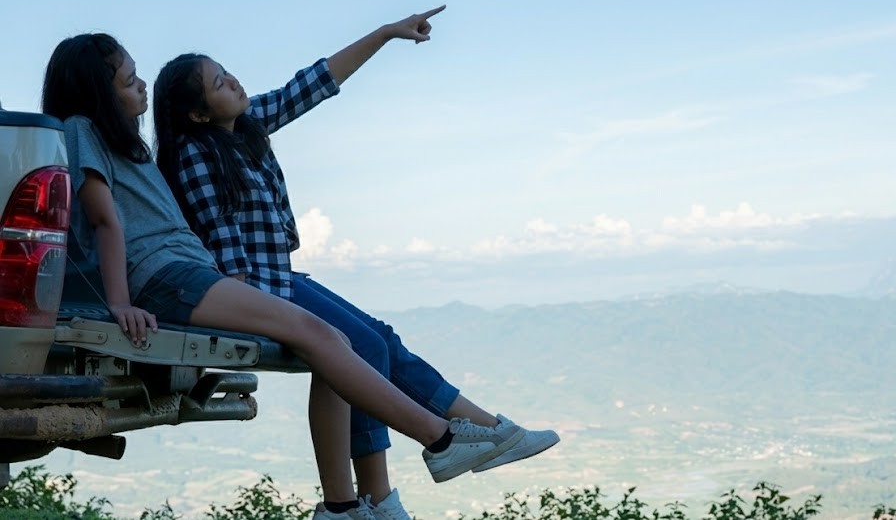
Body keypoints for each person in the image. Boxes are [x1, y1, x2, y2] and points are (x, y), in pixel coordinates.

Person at [41, 31, 531, 520]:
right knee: (320, 334)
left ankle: (342, 508)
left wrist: (385, 33)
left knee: (335, 339)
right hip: (168, 276)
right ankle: (441, 440)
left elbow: (309, 86)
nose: (141, 84)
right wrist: (120, 302)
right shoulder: (84, 128)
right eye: (129, 81)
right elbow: (103, 220)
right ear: (98, 93)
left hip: (190, 272)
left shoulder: (131, 143)